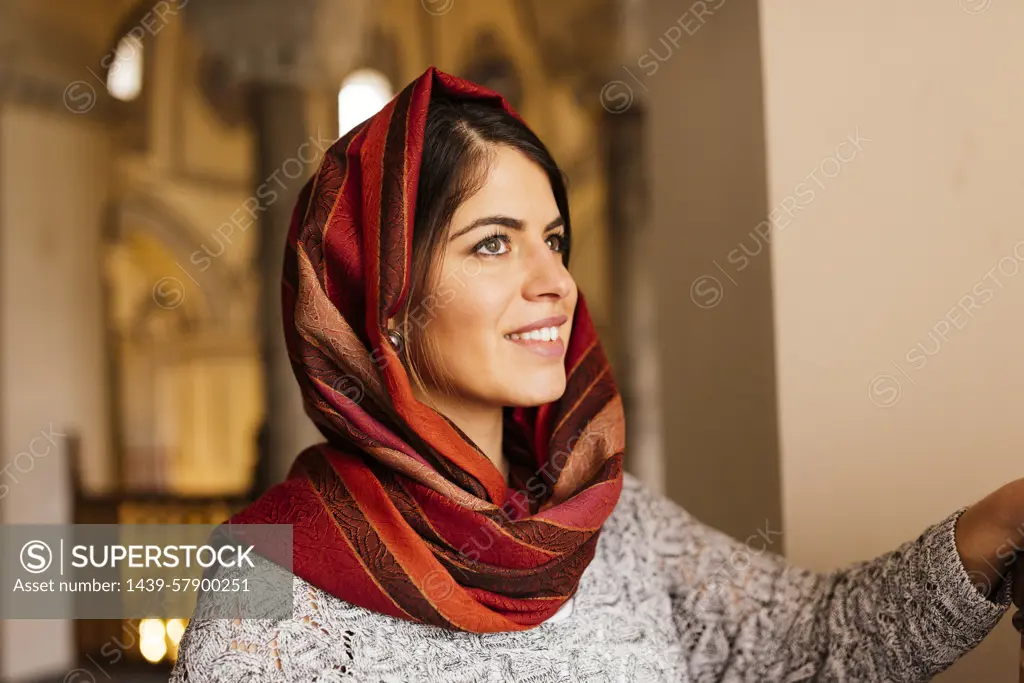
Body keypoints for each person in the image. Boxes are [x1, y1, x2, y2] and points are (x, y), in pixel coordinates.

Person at [171, 66, 1024, 682]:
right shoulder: (268, 580)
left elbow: (817, 640)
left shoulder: (609, 518)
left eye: (554, 240)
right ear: (385, 303)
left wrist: (1000, 522)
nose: (555, 283)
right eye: (494, 243)